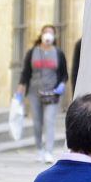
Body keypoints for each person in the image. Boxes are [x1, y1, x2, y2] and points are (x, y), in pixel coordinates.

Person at [15, 25, 68, 163]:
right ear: (42, 35)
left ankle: (48, 151)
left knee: (49, 121)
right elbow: (25, 73)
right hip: (34, 92)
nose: (48, 36)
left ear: (54, 36)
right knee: (37, 122)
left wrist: (62, 85)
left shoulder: (58, 53)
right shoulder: (32, 52)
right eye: (46, 33)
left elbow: (64, 74)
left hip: (52, 93)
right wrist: (20, 91)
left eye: (51, 33)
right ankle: (39, 149)